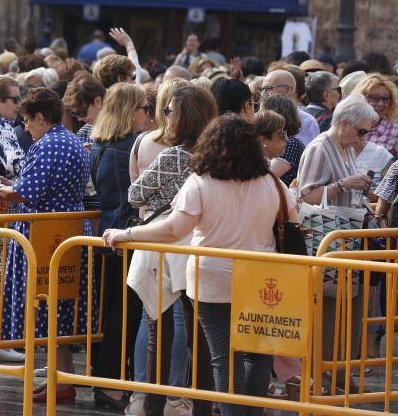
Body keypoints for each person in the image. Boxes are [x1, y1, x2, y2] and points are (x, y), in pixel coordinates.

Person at [104, 114, 299, 416]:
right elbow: (294, 220)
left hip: (212, 277)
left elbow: (173, 229)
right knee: (258, 356)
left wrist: (127, 233)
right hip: (262, 275)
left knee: (223, 358)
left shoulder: (200, 183)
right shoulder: (271, 182)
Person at [0, 87, 96, 404]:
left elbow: (27, 191)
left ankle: (57, 380)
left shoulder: (49, 144)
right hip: (67, 230)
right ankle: (59, 379)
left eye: (27, 120)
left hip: (45, 233)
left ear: (40, 116)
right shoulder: (71, 141)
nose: (25, 127)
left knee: (45, 305)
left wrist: (0, 187)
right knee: (60, 309)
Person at [128, 86, 218, 416]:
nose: (164, 116)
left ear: (183, 116)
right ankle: (201, 408)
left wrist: (159, 198)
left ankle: (151, 406)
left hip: (169, 245)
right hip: (205, 246)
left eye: (168, 111)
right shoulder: (219, 156)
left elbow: (135, 195)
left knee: (159, 332)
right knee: (204, 337)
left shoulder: (174, 155)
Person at [296, 95, 378, 388]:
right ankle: (326, 373)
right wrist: (344, 184)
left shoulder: (345, 147)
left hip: (344, 242)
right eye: (362, 131)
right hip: (328, 242)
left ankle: (339, 370)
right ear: (344, 123)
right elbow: (306, 196)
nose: (363, 138)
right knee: (330, 309)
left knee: (348, 307)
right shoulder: (320, 148)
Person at [89, 83, 149, 411]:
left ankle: (112, 380)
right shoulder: (120, 148)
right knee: (121, 314)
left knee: (120, 312)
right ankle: (110, 384)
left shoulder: (105, 144)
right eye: (144, 108)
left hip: (117, 239)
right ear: (129, 111)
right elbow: (125, 200)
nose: (148, 115)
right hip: (122, 240)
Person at [261, 69, 319, 146]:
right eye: (262, 89)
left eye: (268, 88)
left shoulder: (308, 122)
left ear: (287, 89)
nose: (263, 94)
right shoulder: (260, 118)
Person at [260, 95, 305, 187]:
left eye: (262, 111)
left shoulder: (290, 143)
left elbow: (265, 177)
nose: (258, 115)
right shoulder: (290, 141)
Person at [352, 74, 398, 158]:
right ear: (362, 97)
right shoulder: (350, 125)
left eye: (385, 99)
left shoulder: (395, 131)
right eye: (375, 98)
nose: (381, 104)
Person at [62, 73, 106, 144]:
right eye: (74, 113)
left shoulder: (124, 126)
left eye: (82, 112)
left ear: (98, 101)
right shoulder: (84, 133)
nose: (79, 119)